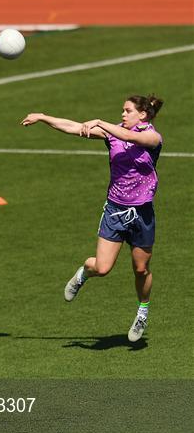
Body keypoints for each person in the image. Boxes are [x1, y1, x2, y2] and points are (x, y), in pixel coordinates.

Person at [21, 95, 163, 342]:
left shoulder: (152, 137)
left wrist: (99, 121)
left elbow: (131, 138)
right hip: (116, 211)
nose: (123, 114)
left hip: (142, 214)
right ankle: (83, 274)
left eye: (127, 111)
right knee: (102, 267)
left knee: (141, 269)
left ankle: (142, 312)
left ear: (142, 115)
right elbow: (74, 127)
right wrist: (43, 117)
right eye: (122, 110)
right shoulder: (113, 134)